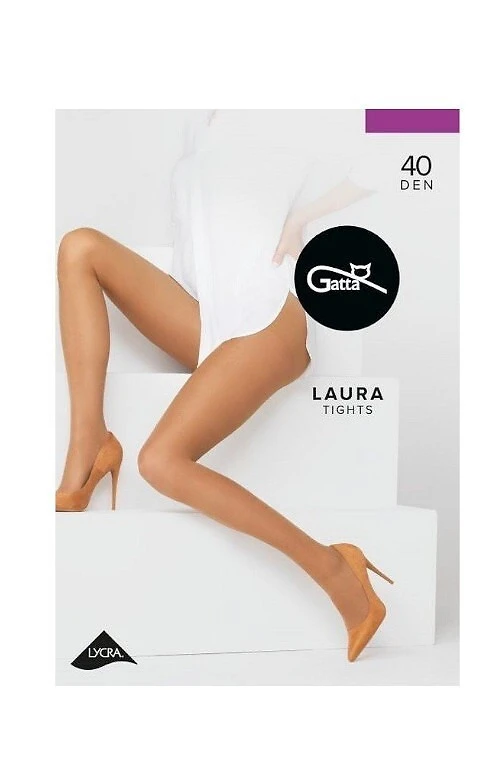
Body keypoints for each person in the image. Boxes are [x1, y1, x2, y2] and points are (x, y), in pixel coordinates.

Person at [56, 110, 392, 661]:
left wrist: (304, 217)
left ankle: (335, 568)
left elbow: (411, 133)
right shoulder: (199, 122)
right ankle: (88, 442)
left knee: (160, 461)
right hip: (207, 316)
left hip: (268, 316)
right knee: (79, 247)